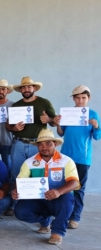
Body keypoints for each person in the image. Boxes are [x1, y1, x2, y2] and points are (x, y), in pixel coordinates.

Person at [12, 129, 79, 245]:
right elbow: (20, 181)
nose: (44, 147)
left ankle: (57, 232)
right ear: (37, 146)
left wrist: (59, 191)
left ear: (55, 144)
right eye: (41, 144)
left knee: (67, 198)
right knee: (20, 211)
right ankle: (45, 220)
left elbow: (75, 183)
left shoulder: (66, 161)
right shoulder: (29, 162)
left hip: (59, 199)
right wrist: (16, 190)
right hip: (38, 200)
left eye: (48, 143)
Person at [5, 76, 56, 215]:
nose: (26, 89)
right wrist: (14, 128)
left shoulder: (44, 103)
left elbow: (55, 122)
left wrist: (49, 119)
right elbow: (8, 125)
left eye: (29, 87)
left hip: (37, 144)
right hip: (19, 143)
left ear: (34, 88)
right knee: (16, 174)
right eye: (24, 87)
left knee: (37, 174)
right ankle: (15, 204)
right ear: (20, 90)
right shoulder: (16, 105)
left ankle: (38, 206)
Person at [54, 85, 100, 229]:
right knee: (63, 186)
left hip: (82, 158)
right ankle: (63, 213)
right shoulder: (68, 114)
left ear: (89, 98)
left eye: (83, 98)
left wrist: (96, 126)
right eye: (78, 98)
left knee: (79, 188)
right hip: (65, 157)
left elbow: (97, 136)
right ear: (73, 98)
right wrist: (57, 124)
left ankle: (75, 217)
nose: (80, 101)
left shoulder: (93, 114)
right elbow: (61, 133)